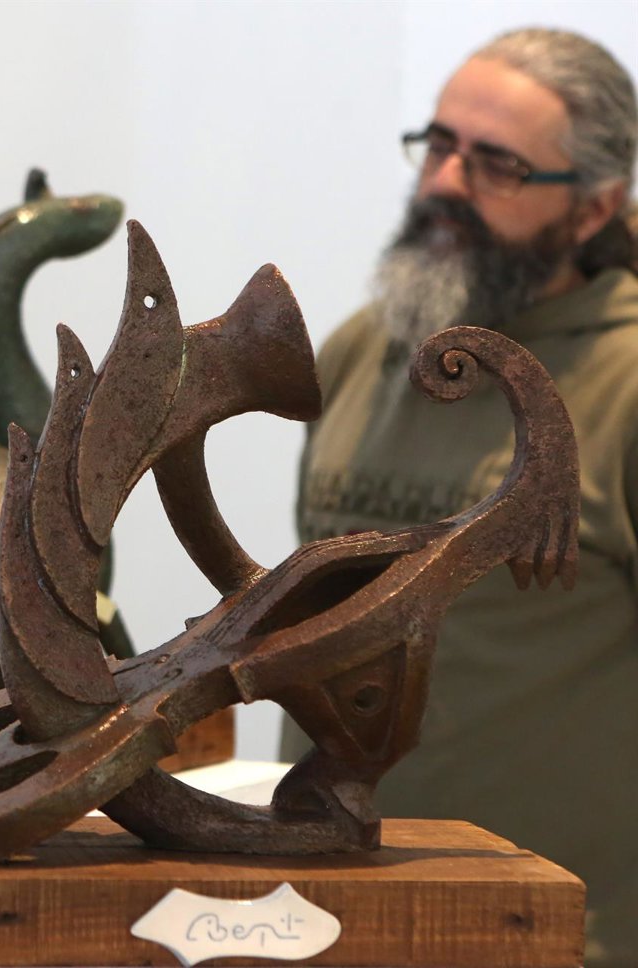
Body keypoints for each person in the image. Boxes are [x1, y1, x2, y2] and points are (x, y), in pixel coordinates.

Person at [279, 28, 637, 967]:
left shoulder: (625, 381)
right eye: (439, 145)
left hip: (551, 938)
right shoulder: (363, 350)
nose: (445, 182)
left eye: (497, 165)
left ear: (596, 206)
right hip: (317, 916)